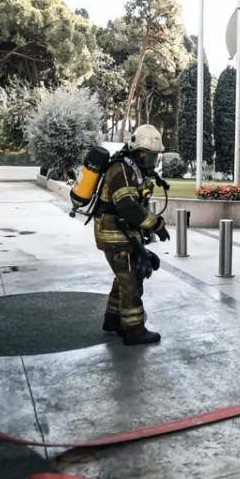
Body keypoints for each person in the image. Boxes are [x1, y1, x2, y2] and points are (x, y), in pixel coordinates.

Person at [93, 124, 170, 345]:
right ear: (140, 151)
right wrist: (156, 225)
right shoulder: (121, 171)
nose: (154, 160)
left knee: (123, 277)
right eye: (152, 155)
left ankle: (113, 319)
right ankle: (134, 330)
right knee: (131, 281)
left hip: (121, 232)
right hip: (114, 235)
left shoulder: (132, 168)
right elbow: (128, 207)